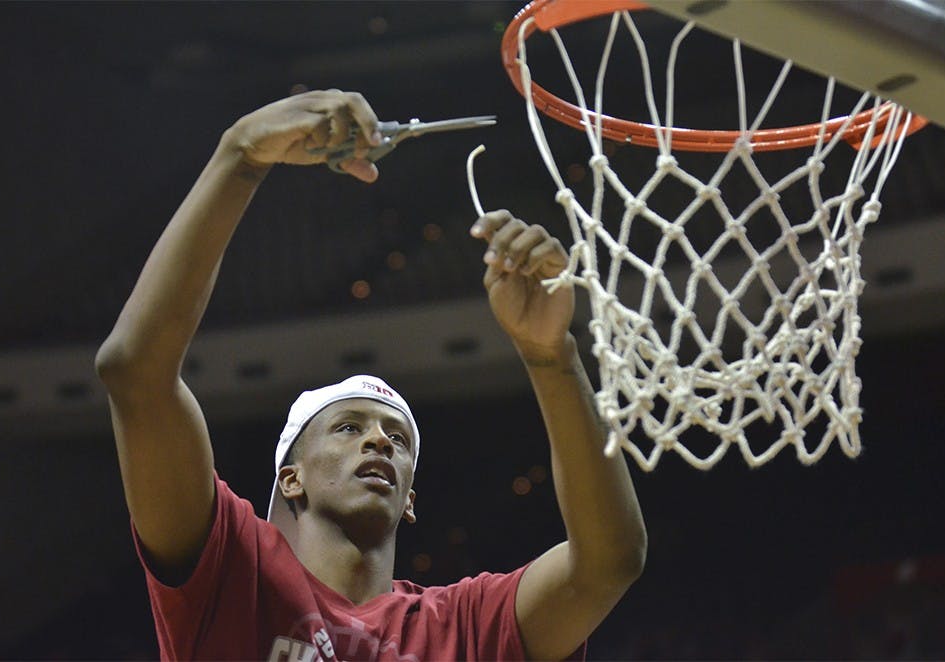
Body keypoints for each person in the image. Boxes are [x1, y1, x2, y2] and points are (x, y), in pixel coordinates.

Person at [95, 89, 647, 661]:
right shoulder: (235, 571)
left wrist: (550, 354)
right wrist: (239, 156)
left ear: (409, 498)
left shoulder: (464, 624)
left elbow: (609, 561)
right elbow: (134, 371)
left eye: (398, 438)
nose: (380, 439)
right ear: (291, 479)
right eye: (347, 429)